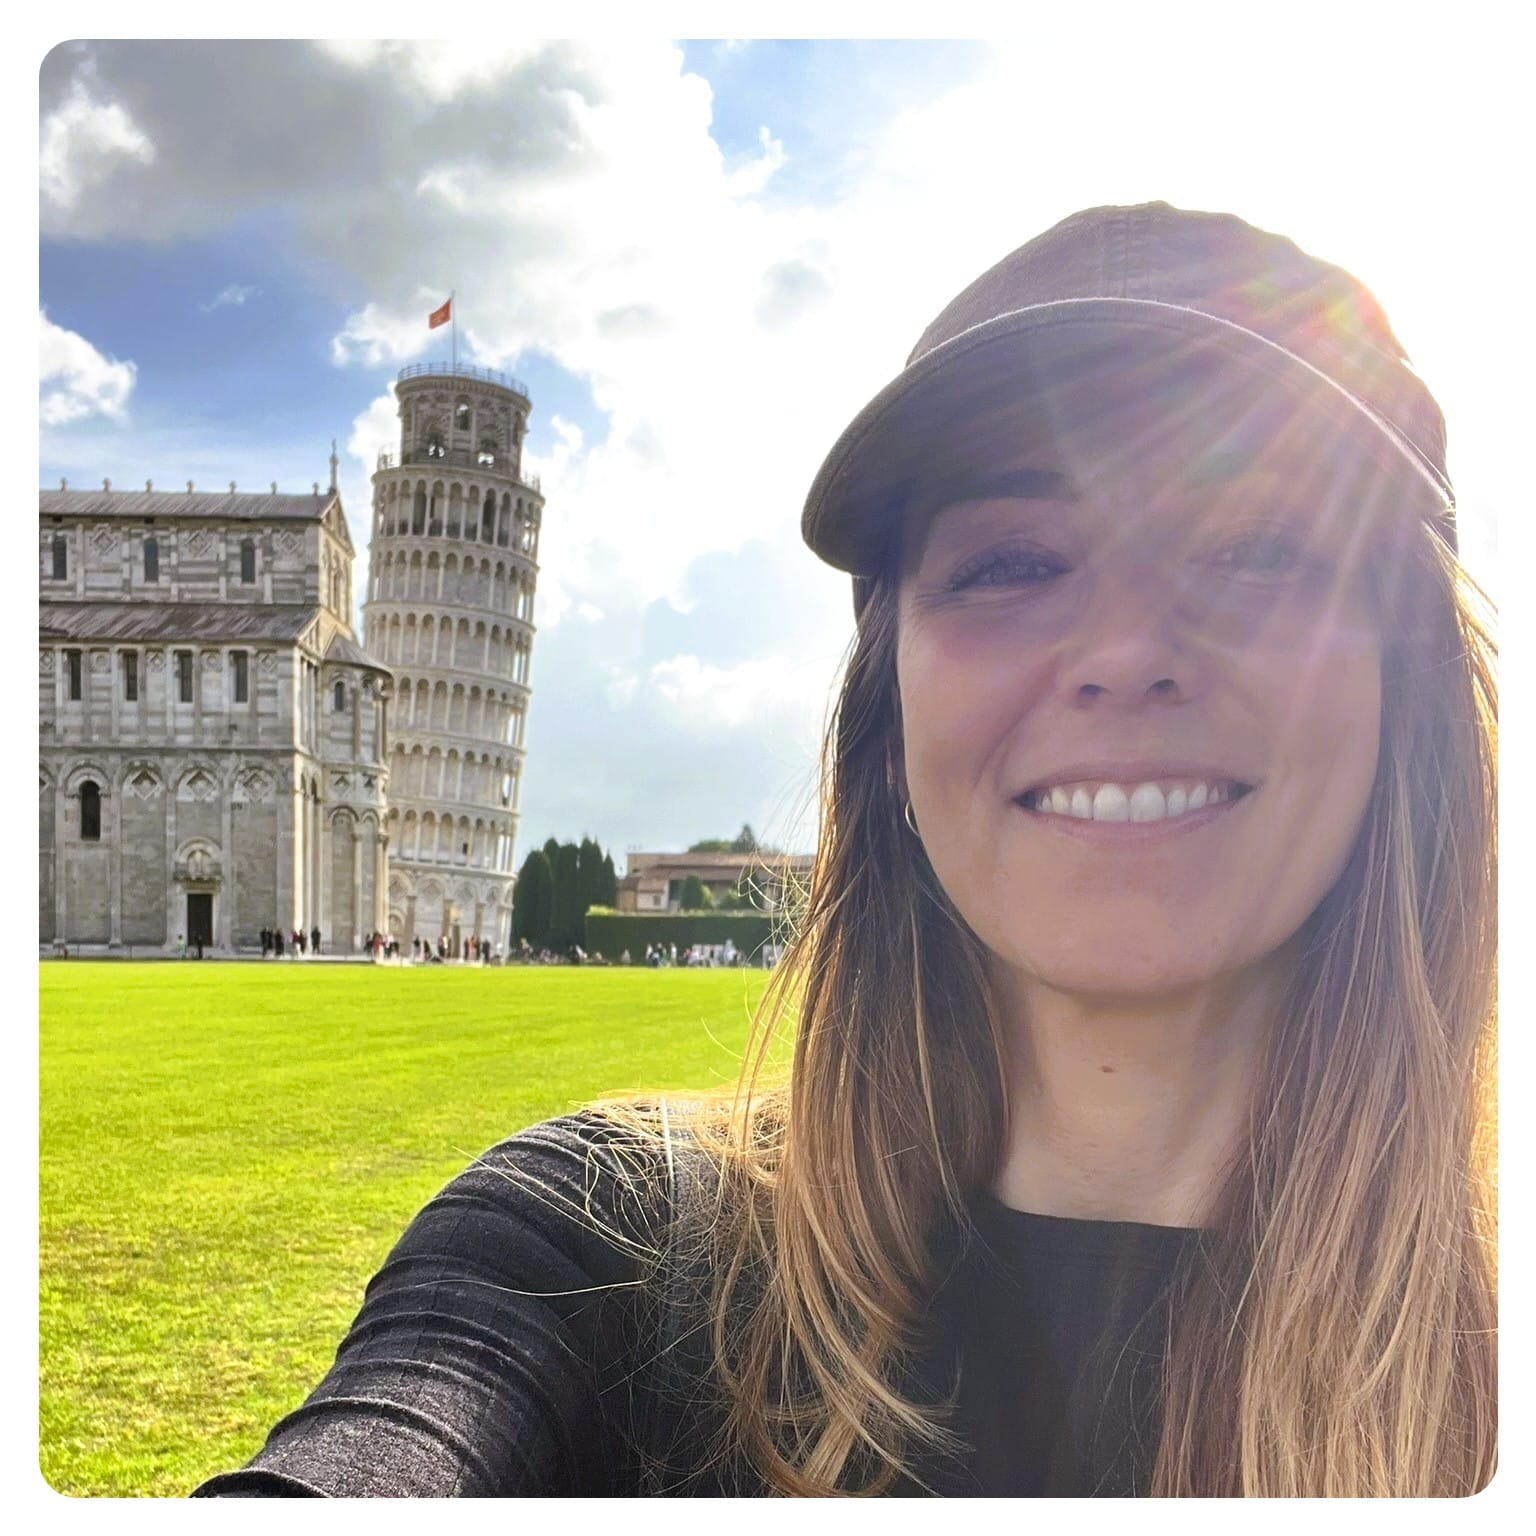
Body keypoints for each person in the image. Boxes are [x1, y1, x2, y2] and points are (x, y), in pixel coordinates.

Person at [193, 203, 1495, 1498]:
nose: (1126, 651)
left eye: (1259, 549)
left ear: (1409, 680)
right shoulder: (592, 1253)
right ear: (892, 702)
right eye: (1014, 561)